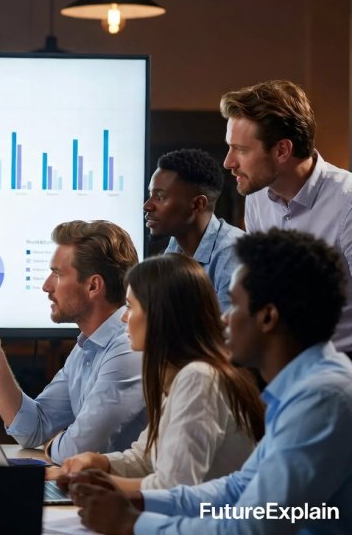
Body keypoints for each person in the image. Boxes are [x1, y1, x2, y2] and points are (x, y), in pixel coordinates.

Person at [65, 229, 352, 535]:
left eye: (235, 304)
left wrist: (132, 522)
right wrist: (137, 499)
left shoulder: (323, 397)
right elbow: (235, 490)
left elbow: (253, 525)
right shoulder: (304, 389)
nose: (224, 318)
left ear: (268, 317)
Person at [58, 253, 263, 490]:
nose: (124, 318)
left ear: (160, 314)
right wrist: (98, 462)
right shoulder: (181, 375)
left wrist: (94, 483)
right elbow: (145, 460)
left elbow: (173, 486)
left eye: (130, 307)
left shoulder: (199, 378)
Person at [0, 220, 146, 465]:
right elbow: (33, 429)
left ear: (93, 285)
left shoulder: (128, 347)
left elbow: (76, 449)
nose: (46, 286)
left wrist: (54, 443)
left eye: (57, 274)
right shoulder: (87, 346)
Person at [222, 79, 352, 359]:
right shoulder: (256, 196)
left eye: (240, 150)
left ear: (282, 150)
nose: (228, 162)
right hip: (279, 361)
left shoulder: (347, 202)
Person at [144, 148, 244, 311]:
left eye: (160, 197)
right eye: (151, 194)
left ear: (198, 204)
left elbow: (229, 334)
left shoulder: (232, 255)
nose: (147, 206)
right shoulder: (175, 246)